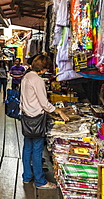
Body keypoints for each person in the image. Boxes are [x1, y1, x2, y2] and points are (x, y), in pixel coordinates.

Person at [20, 55, 69, 189]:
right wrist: (58, 111)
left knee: (27, 147)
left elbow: (23, 99)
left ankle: (27, 176)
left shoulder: (26, 77)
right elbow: (44, 103)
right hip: (36, 118)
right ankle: (40, 181)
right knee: (37, 149)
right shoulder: (38, 80)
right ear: (44, 69)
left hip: (26, 117)